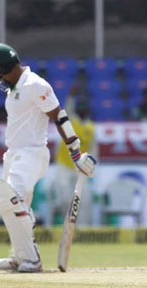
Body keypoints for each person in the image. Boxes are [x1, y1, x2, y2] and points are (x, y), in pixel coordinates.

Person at [0, 43, 96, 272]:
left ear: (5, 66)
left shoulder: (35, 84)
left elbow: (59, 117)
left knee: (13, 199)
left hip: (32, 153)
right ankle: (20, 255)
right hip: (13, 153)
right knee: (6, 204)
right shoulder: (13, 89)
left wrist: (75, 153)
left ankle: (32, 260)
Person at [49, 97, 96, 226]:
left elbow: (93, 149)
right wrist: (71, 97)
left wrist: (91, 167)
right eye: (80, 110)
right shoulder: (70, 121)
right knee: (64, 199)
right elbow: (66, 110)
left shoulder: (91, 128)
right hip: (64, 164)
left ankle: (82, 229)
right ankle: (68, 225)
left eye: (85, 110)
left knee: (85, 199)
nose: (83, 112)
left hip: (80, 167)